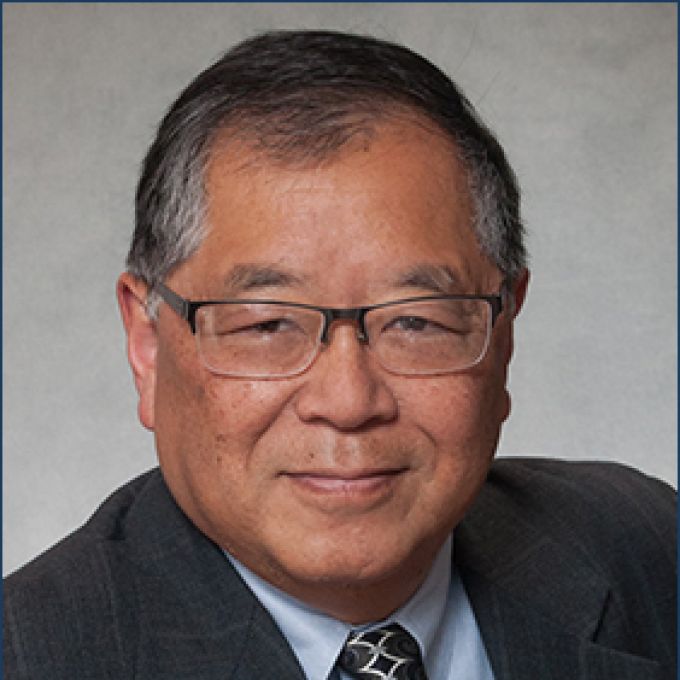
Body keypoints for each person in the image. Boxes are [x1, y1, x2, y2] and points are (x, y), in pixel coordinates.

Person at [4, 29, 675, 680]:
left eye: (415, 321)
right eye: (268, 326)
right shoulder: (32, 653)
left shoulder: (647, 547)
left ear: (504, 333)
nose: (349, 403)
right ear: (148, 345)